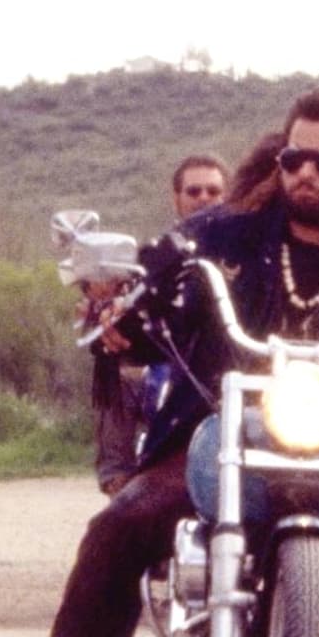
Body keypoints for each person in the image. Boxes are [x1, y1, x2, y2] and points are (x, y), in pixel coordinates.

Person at [49, 89, 319, 637]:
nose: (305, 172)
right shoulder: (216, 242)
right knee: (115, 531)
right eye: (293, 158)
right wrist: (122, 316)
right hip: (218, 438)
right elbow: (161, 308)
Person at [83, 154, 232, 495]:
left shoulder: (241, 252)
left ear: (227, 196)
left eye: (213, 191)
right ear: (176, 198)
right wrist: (109, 310)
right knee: (118, 372)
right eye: (194, 191)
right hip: (169, 360)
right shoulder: (159, 255)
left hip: (224, 367)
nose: (204, 198)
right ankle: (119, 479)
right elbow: (131, 301)